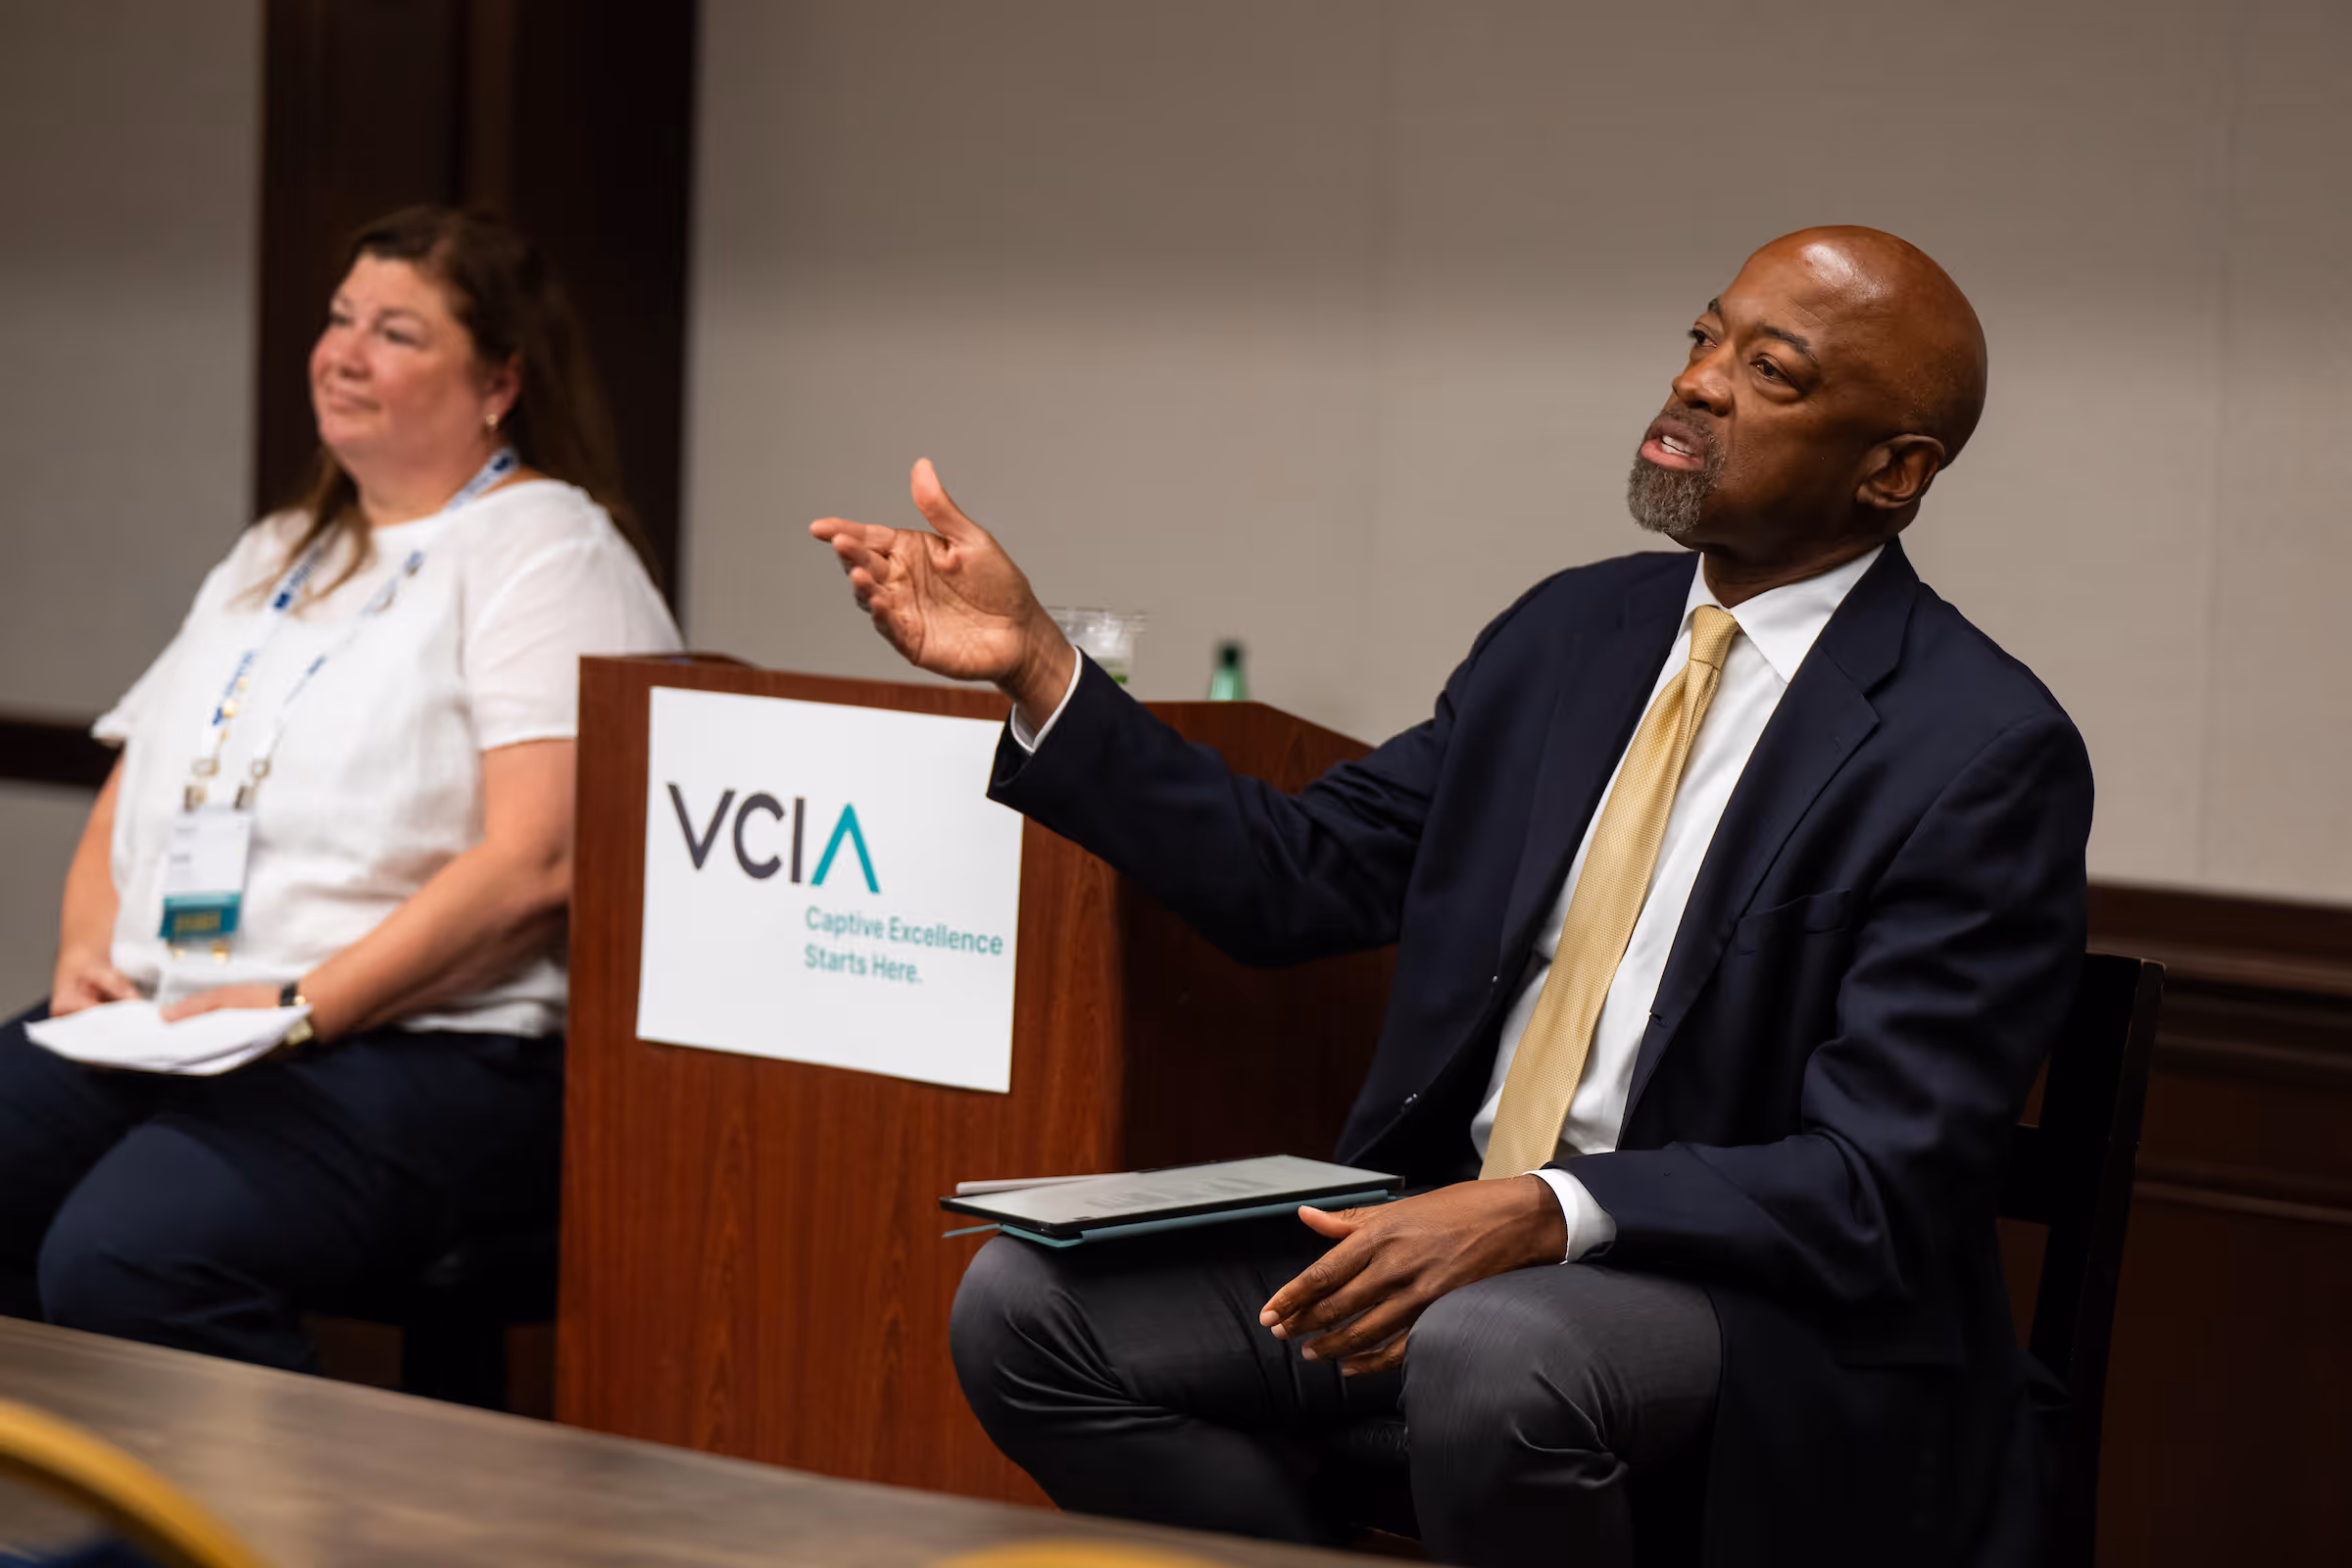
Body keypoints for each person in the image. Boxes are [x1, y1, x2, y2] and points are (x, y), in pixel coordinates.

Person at [809, 227, 2089, 1566]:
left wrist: (1545, 1210)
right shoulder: (1568, 637)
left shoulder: (1976, 749)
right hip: (1454, 1243)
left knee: (1491, 1352)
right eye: (1703, 338)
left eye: (1769, 371)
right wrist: (1040, 668)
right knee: (1026, 1308)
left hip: (1761, 1317)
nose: (1701, 383)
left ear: (1892, 472)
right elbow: (1296, 879)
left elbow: (1878, 1182)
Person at [0, 207, 681, 1371]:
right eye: (338, 318)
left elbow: (539, 863)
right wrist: (81, 948)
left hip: (426, 1043)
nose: (343, 352)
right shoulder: (280, 549)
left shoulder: (547, 549)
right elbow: (139, 770)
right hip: (188, 1024)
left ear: (499, 383)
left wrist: (304, 998)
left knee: (128, 1256)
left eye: (397, 332)